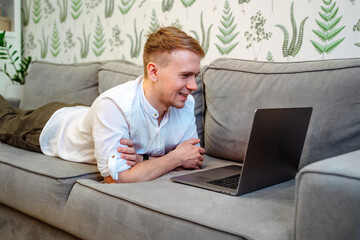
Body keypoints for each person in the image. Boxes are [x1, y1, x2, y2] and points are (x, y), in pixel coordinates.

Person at [0, 26, 205, 183]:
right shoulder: (114, 105)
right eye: (185, 75)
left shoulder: (185, 104)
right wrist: (174, 158)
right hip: (49, 127)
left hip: (85, 114)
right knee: (5, 119)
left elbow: (193, 158)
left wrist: (143, 160)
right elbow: (116, 178)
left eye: (195, 75)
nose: (193, 85)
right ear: (153, 72)